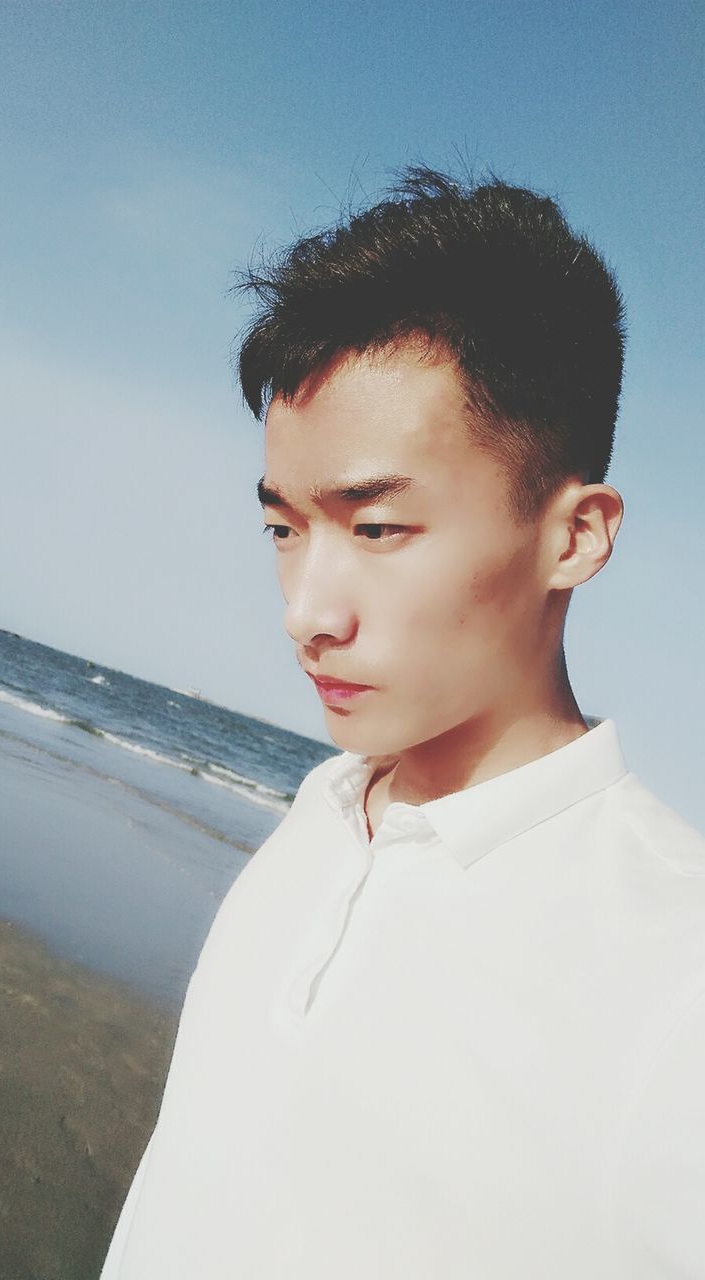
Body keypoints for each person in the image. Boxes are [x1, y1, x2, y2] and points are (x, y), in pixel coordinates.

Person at [100, 168, 705, 1279]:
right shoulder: (323, 812)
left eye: (374, 527)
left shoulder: (675, 978)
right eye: (283, 528)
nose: (303, 611)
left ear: (572, 536)